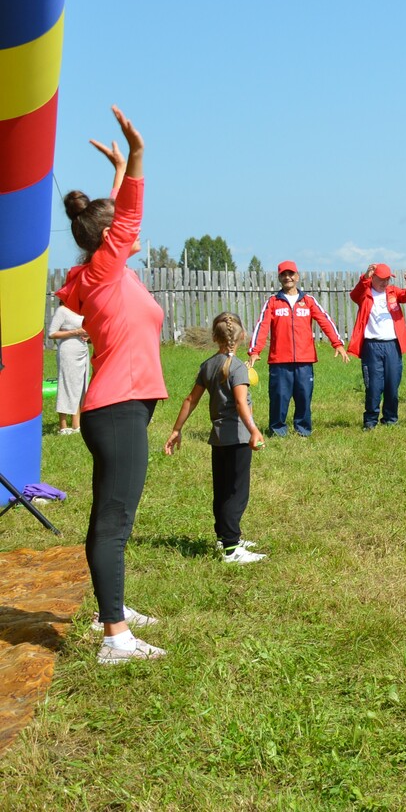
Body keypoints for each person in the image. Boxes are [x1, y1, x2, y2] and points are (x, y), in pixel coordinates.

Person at [55, 106, 169, 664]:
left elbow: (111, 223)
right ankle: (116, 640)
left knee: (112, 516)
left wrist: (120, 170)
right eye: (121, 232)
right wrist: (138, 158)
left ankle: (111, 610)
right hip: (117, 407)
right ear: (107, 239)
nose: (135, 233)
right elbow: (122, 220)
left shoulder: (96, 274)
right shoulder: (101, 271)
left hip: (120, 407)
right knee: (114, 521)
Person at [162, 313, 267, 565]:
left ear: (214, 337)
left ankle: (225, 537)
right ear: (242, 336)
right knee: (237, 492)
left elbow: (190, 399)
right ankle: (231, 550)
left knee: (221, 490)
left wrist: (176, 430)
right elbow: (241, 402)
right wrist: (254, 430)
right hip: (239, 438)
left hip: (219, 439)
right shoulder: (238, 367)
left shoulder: (208, 365)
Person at [247, 261, 349, 435]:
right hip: (279, 361)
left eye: (291, 274)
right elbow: (262, 326)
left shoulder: (308, 301)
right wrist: (255, 351)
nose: (288, 277)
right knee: (279, 397)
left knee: (303, 396)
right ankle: (277, 430)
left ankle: (303, 429)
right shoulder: (273, 302)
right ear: (279, 278)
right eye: (284, 275)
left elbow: (325, 320)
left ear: (297, 276)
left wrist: (338, 343)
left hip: (304, 360)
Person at [348, 264, 406, 429]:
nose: (384, 282)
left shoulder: (393, 291)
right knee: (373, 386)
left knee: (392, 384)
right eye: (381, 279)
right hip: (372, 346)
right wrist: (364, 276)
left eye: (387, 279)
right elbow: (354, 294)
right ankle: (370, 421)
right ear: (372, 278)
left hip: (393, 345)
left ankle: (390, 419)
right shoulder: (365, 294)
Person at [48, 297, 89, 434]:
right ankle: (63, 426)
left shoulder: (81, 311)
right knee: (67, 385)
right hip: (68, 352)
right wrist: (75, 332)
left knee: (79, 386)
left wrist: (87, 335)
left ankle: (76, 424)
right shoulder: (62, 311)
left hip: (82, 351)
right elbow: (52, 334)